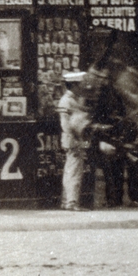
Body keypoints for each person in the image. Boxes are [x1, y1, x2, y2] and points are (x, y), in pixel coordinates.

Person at [56, 72, 93, 211]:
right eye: (79, 84)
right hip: (73, 140)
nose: (82, 87)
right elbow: (66, 124)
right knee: (74, 171)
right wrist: (77, 140)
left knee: (70, 170)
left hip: (74, 140)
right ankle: (72, 202)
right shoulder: (67, 100)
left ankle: (67, 201)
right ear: (74, 85)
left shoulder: (73, 99)